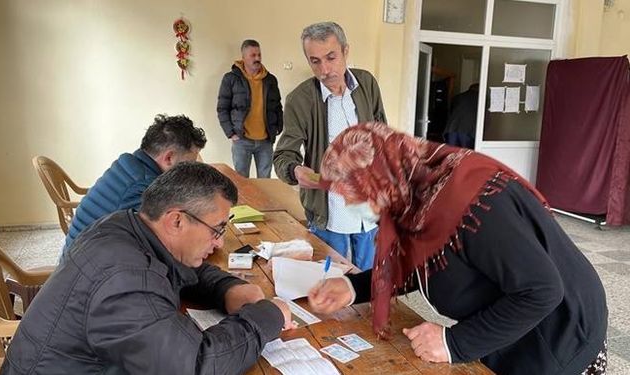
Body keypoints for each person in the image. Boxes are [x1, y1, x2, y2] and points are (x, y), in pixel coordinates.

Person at [308, 122, 608, 375]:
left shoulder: (472, 205)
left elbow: (541, 292)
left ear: (379, 181)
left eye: (353, 194)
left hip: (560, 337)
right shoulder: (414, 195)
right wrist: (353, 287)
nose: (348, 205)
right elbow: (426, 261)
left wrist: (453, 342)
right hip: (514, 328)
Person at [2, 162, 293, 374]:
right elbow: (195, 365)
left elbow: (176, 266)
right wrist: (268, 314)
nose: (219, 243)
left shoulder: (126, 226)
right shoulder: (126, 278)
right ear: (176, 221)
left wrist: (228, 288)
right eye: (217, 229)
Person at [273, 22, 386, 271]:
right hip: (329, 213)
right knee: (326, 282)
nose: (324, 69)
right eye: (315, 61)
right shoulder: (299, 100)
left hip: (368, 211)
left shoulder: (367, 83)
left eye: (331, 57)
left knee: (367, 281)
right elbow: (284, 154)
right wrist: (295, 171)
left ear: (345, 51)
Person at [64, 114, 207, 251]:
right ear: (169, 158)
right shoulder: (142, 186)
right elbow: (164, 243)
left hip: (80, 256)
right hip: (85, 269)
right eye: (188, 164)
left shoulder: (131, 164)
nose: (189, 171)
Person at [217, 39, 283, 178]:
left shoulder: (270, 80)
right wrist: (231, 133)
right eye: (253, 55)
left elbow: (277, 105)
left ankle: (262, 202)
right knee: (241, 181)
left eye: (259, 55)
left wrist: (278, 127)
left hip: (265, 141)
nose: (257, 58)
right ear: (243, 57)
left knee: (265, 181)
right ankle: (244, 202)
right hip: (242, 140)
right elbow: (222, 108)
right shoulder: (230, 79)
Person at [443, 83, 479, 149]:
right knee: (465, 154)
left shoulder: (458, 97)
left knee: (451, 152)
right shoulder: (480, 99)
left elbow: (450, 111)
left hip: (452, 128)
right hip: (468, 130)